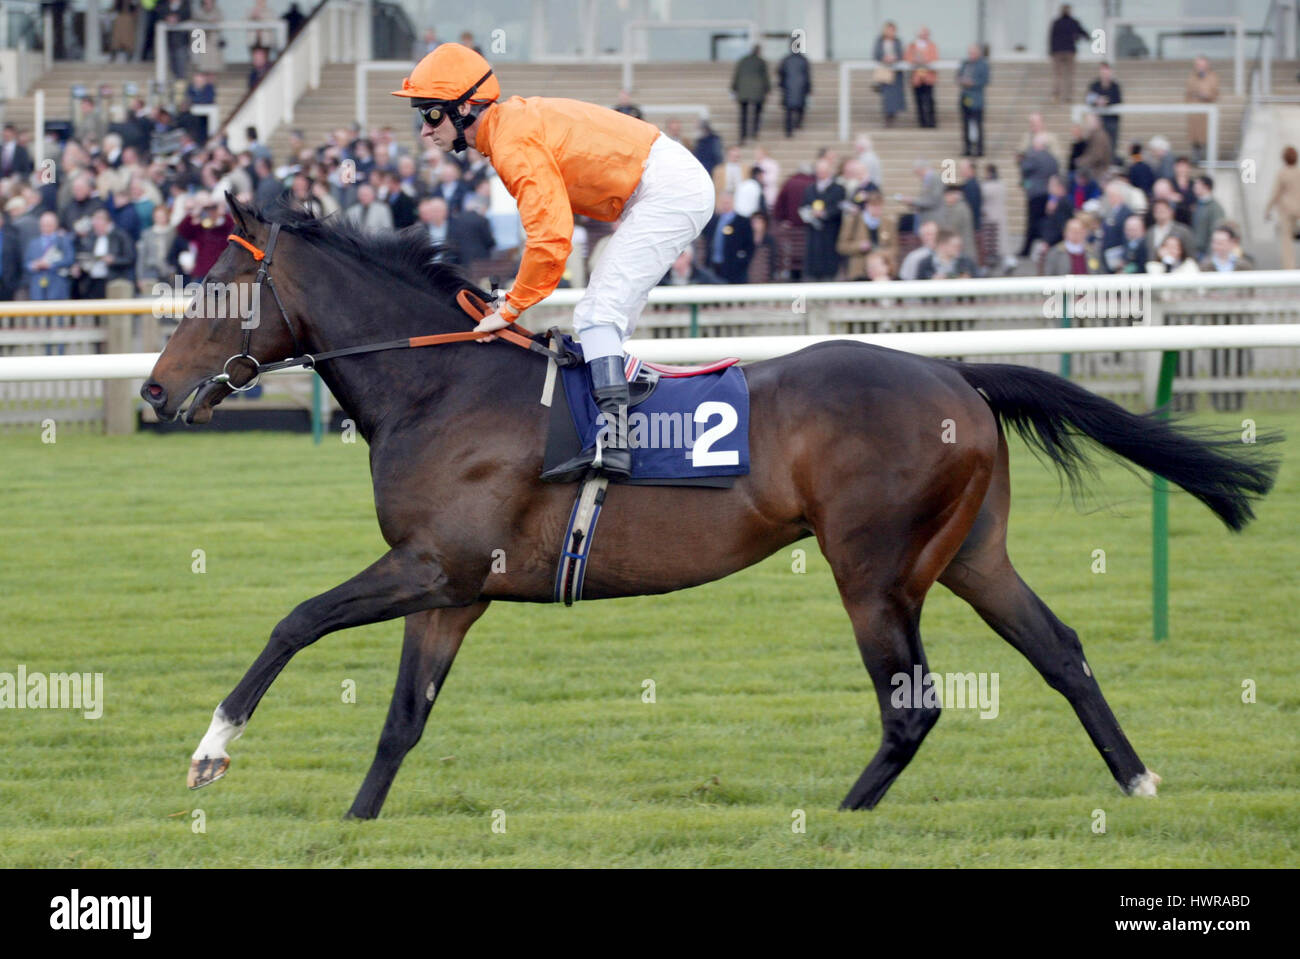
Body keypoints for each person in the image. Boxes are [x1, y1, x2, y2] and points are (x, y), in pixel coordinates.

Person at [393, 43, 714, 482]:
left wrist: (510, 308)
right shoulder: (507, 130)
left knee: (599, 315)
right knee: (607, 316)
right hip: (664, 185)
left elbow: (550, 238)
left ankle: (614, 445)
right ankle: (622, 424)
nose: (425, 130)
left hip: (667, 189)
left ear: (466, 106)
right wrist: (513, 298)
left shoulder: (510, 140)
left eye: (431, 114)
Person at [71, 207, 135, 298]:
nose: (95, 223)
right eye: (94, 220)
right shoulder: (91, 238)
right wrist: (79, 266)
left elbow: (130, 258)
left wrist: (113, 260)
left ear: (107, 222)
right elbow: (83, 255)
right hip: (91, 281)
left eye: (98, 220)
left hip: (112, 281)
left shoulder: (120, 236)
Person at [799, 156, 844, 280]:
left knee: (828, 272)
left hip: (830, 236)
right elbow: (803, 206)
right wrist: (809, 214)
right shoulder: (810, 189)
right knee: (811, 272)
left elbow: (839, 208)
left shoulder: (837, 189)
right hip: (813, 236)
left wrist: (825, 213)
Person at [836, 189, 893, 280]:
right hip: (859, 270)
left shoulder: (888, 223)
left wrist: (882, 254)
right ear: (867, 206)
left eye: (879, 206)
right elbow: (841, 246)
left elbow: (894, 247)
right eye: (874, 206)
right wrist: (859, 246)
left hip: (880, 270)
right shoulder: (853, 221)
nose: (877, 210)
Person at [1018, 133, 1058, 255]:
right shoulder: (1052, 158)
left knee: (1032, 222)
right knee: (1044, 222)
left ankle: (1026, 250)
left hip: (1035, 194)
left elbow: (1024, 169)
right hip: (1047, 193)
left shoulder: (1034, 156)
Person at [703, 191, 754, 283]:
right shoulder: (714, 220)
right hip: (714, 264)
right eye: (723, 202)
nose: (725, 205)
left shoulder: (742, 222)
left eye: (727, 202)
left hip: (734, 268)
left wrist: (740, 261)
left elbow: (749, 245)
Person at [26, 212, 76, 300]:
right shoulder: (33, 243)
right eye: (43, 225)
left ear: (55, 225)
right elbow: (26, 263)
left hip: (57, 285)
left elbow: (70, 259)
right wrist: (34, 265)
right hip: (38, 288)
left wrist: (51, 265)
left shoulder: (63, 241)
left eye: (49, 225)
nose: (46, 228)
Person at [1266, 145, 1300, 269]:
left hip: (1286, 209)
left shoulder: (1282, 173)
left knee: (1286, 239)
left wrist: (1268, 210)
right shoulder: (1298, 172)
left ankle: (1289, 266)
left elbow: (1275, 193)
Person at [1049, 4, 1088, 103]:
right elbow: (1082, 32)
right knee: (1069, 75)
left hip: (1058, 51)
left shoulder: (1056, 22)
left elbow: (1051, 37)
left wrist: (1051, 51)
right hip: (1069, 51)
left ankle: (1056, 95)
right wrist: (1087, 37)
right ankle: (1068, 96)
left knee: (1057, 74)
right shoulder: (1073, 22)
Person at [731, 44, 770, 144]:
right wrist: (767, 89)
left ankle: (743, 135)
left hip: (743, 90)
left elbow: (737, 75)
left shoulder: (743, 61)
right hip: (757, 91)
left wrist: (734, 87)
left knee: (743, 114)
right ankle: (754, 133)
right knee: (757, 113)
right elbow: (765, 77)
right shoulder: (761, 62)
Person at [956, 44, 989, 157]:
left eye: (973, 53)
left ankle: (979, 149)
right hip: (965, 97)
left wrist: (973, 83)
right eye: (969, 53)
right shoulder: (965, 63)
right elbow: (958, 75)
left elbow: (985, 80)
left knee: (978, 125)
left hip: (976, 99)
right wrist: (962, 80)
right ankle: (967, 148)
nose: (971, 55)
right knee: (965, 124)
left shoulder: (983, 65)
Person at [1185, 56, 1219, 163]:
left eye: (1201, 65)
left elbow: (1214, 93)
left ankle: (1208, 157)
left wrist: (1205, 94)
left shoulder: (1212, 77)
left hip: (1207, 112)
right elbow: (1188, 92)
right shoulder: (1192, 77)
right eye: (1198, 65)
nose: (1199, 67)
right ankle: (1196, 157)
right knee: (1195, 137)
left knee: (1206, 136)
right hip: (1195, 111)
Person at [1085, 63, 1122, 161]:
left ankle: (1110, 163)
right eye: (1103, 72)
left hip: (1111, 121)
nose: (1105, 74)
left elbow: (1118, 100)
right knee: (1096, 144)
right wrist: (1097, 101)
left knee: (1111, 145)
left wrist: (1107, 101)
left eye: (1106, 72)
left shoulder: (1115, 86)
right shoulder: (1095, 85)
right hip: (1098, 121)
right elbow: (1089, 99)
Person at [905, 26, 939, 129]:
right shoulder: (912, 46)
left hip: (928, 77)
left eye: (926, 33)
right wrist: (915, 60)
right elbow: (907, 57)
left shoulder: (932, 45)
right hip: (917, 78)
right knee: (918, 101)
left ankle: (931, 122)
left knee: (930, 100)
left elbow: (934, 58)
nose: (924, 35)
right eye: (922, 33)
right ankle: (922, 123)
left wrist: (925, 60)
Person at [874, 22, 906, 127]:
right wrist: (884, 58)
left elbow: (901, 54)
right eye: (889, 29)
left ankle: (893, 115)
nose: (890, 32)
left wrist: (895, 58)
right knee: (887, 97)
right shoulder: (880, 41)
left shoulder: (898, 41)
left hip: (896, 72)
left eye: (892, 30)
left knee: (895, 96)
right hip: (885, 71)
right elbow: (876, 54)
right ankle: (887, 117)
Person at [777, 41, 811, 137]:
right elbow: (807, 75)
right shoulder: (803, 60)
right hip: (800, 88)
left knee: (788, 110)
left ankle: (788, 131)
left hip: (788, 88)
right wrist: (808, 88)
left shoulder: (786, 60)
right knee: (800, 107)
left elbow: (780, 73)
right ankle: (797, 124)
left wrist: (782, 84)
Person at [1190, 175, 1225, 257]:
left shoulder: (1215, 208)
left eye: (1197, 184)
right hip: (1196, 251)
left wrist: (1210, 254)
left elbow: (1216, 230)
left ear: (1206, 186)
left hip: (1206, 253)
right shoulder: (1198, 205)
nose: (1194, 187)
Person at [192, 0, 223, 72]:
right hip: (202, 44)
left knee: (214, 70)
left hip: (214, 45)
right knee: (203, 69)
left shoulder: (218, 12)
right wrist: (208, 22)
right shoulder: (198, 13)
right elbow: (197, 22)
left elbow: (220, 22)